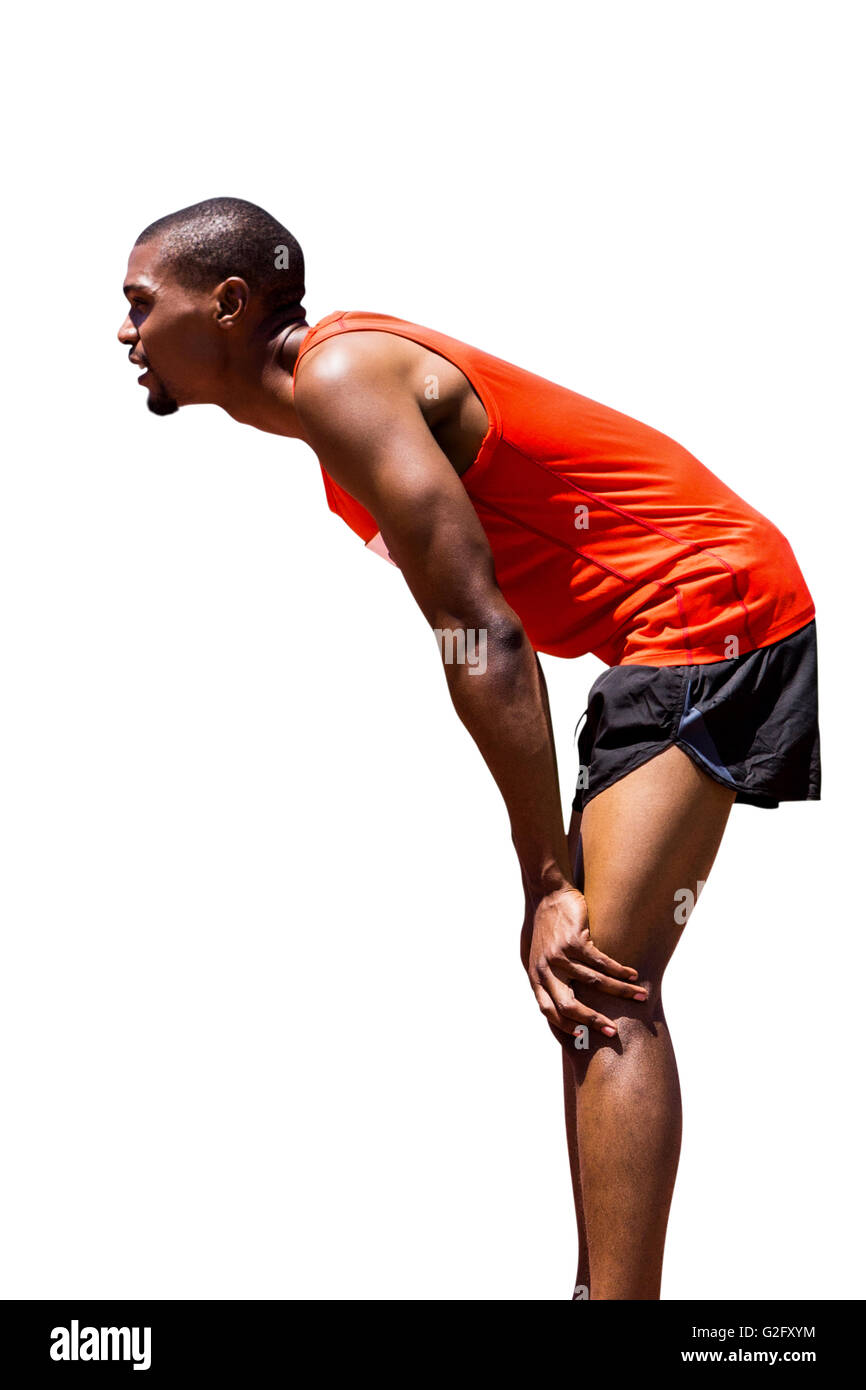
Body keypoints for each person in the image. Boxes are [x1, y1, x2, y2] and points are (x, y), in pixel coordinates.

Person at [118, 197, 821, 1300]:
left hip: (708, 606)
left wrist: (544, 878)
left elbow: (481, 632)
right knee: (587, 990)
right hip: (670, 623)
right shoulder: (336, 414)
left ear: (228, 304)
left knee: (603, 982)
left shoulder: (344, 380)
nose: (123, 333)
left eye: (137, 304)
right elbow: (470, 626)